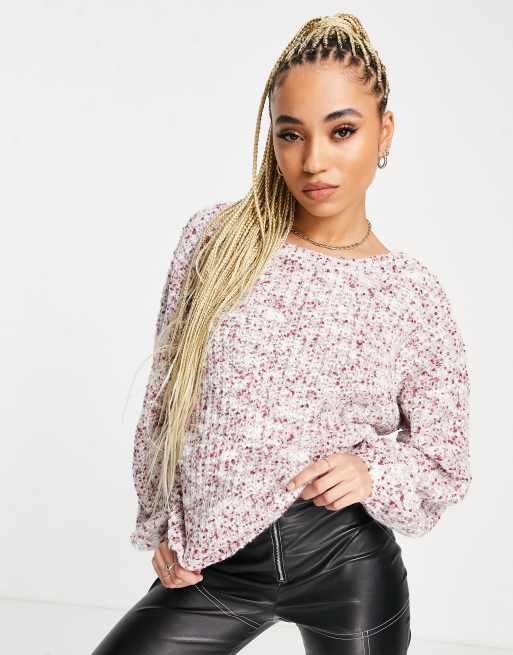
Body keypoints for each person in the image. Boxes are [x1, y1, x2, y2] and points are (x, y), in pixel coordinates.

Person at [91, 12, 472, 655]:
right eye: (291, 134)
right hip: (217, 566)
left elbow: (445, 462)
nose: (314, 161)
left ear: (385, 132)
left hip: (346, 566)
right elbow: (167, 400)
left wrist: (372, 472)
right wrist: (161, 523)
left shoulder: (413, 296)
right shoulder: (216, 241)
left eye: (342, 131)